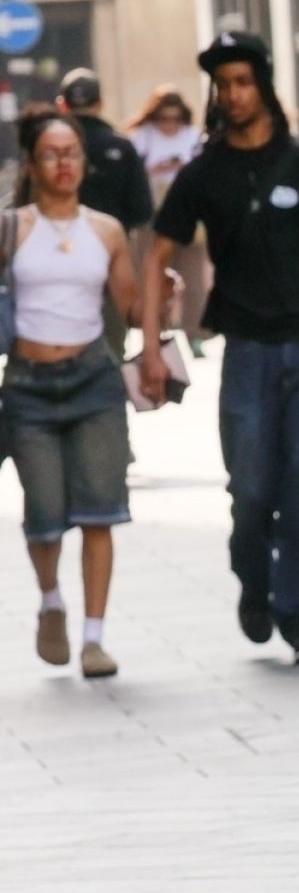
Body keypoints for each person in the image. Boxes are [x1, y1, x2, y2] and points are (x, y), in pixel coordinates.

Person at [141, 31, 299, 664]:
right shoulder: (202, 173)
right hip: (247, 353)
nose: (231, 94)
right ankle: (255, 578)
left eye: (242, 82)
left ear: (263, 87)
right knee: (252, 489)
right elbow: (158, 254)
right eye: (222, 85)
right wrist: (149, 345)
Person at [2, 110, 140, 679]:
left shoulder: (106, 229)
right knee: (44, 515)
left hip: (93, 378)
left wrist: (164, 312)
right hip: (29, 384)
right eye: (53, 154)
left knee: (100, 511)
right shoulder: (12, 226)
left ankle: (94, 638)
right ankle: (52, 601)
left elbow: (130, 304)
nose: (65, 164)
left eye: (73, 153)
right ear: (33, 165)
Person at [56, 69, 152, 356]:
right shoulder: (120, 147)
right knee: (110, 351)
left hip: (57, 262)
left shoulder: (48, 148)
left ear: (63, 104)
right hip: (110, 263)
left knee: (61, 348)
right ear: (100, 102)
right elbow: (142, 210)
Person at [125, 86, 208, 346]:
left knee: (193, 277)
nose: (170, 125)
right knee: (151, 275)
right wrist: (154, 168)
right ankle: (153, 330)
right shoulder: (142, 137)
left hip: (189, 213)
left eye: (175, 119)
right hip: (153, 215)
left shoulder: (194, 138)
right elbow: (133, 176)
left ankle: (194, 332)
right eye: (164, 119)